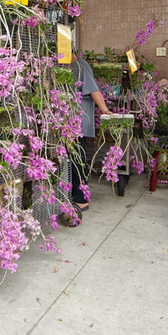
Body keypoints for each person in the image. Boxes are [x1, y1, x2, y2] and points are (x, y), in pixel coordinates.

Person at [65, 50, 112, 225]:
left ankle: (80, 198)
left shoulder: (79, 65)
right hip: (72, 121)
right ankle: (76, 194)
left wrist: (105, 109)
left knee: (78, 158)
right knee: (76, 157)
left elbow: (94, 91)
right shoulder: (71, 66)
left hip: (77, 121)